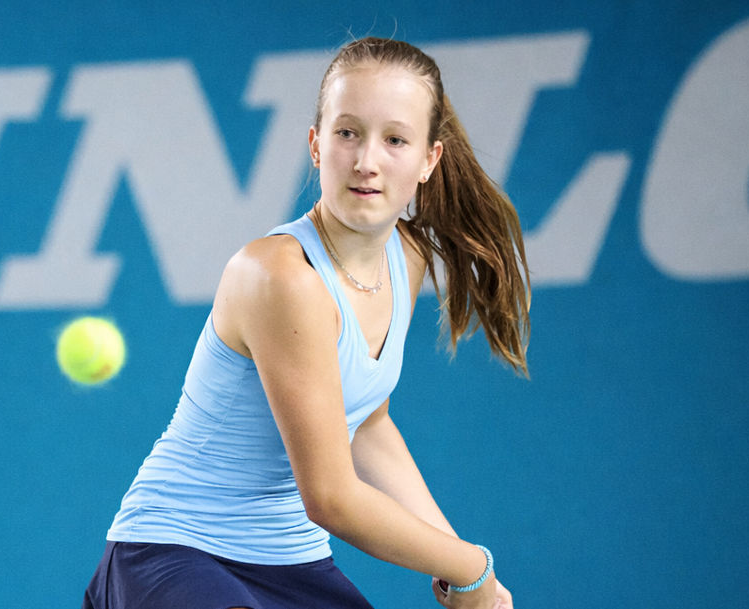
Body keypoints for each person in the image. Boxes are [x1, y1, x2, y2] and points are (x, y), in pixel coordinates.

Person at [82, 36, 530, 609]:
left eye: (395, 139)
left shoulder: (407, 258)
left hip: (292, 562)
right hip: (174, 553)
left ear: (429, 160)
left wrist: (460, 568)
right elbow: (331, 497)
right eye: (348, 133)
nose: (366, 161)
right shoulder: (280, 276)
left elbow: (367, 424)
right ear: (317, 146)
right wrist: (471, 567)